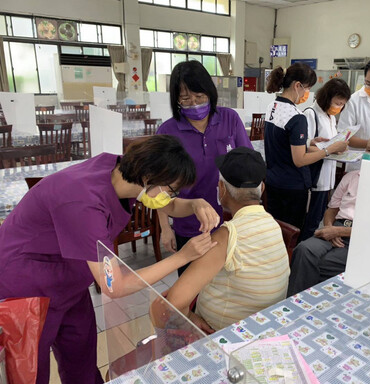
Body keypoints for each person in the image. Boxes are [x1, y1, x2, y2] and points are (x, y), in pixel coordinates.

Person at [0, 135, 219, 384]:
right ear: (148, 178)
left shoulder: (121, 170)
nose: (171, 197)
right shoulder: (83, 204)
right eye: (171, 190)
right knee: (30, 370)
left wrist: (195, 204)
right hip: (27, 286)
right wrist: (183, 256)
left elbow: (166, 204)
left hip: (70, 280)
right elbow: (116, 285)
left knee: (80, 357)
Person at [161, 147, 290, 332]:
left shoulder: (228, 235)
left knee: (160, 307)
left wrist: (191, 317)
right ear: (262, 188)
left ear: (222, 189)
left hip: (225, 333)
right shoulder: (273, 225)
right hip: (266, 325)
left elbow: (175, 301)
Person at [156, 60, 252, 274]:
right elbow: (158, 186)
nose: (194, 103)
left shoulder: (229, 119)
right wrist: (165, 228)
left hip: (230, 220)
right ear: (176, 99)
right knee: (193, 285)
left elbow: (247, 164)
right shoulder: (168, 131)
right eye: (185, 98)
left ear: (210, 92)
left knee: (227, 283)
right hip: (190, 223)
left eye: (199, 96)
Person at [287, 132, 370, 297]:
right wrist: (330, 227)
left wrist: (339, 232)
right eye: (369, 150)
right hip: (336, 227)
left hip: (363, 237)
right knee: (303, 250)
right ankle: (296, 303)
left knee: (320, 264)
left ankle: (307, 302)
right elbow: (332, 209)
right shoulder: (351, 177)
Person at [264, 63, 348, 230]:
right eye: (307, 88)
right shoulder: (297, 117)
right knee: (291, 232)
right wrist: (327, 150)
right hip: (291, 186)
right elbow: (300, 160)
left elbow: (282, 140)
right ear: (297, 86)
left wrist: (308, 142)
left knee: (274, 229)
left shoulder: (272, 106)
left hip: (273, 180)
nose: (307, 94)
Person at [299, 78, 352, 241]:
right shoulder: (311, 114)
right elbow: (305, 146)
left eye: (342, 104)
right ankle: (304, 251)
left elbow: (328, 145)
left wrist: (339, 148)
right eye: (337, 103)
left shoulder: (329, 117)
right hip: (316, 175)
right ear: (327, 98)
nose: (339, 107)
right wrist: (330, 150)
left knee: (319, 217)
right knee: (311, 220)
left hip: (327, 176)